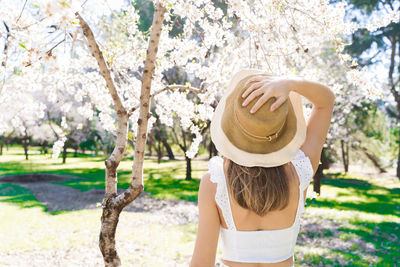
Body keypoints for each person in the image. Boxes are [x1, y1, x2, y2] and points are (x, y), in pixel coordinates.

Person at [190, 69, 335, 267]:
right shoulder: (301, 169)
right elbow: (326, 101)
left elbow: (201, 264)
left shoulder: (214, 182)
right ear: (283, 128)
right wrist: (290, 83)